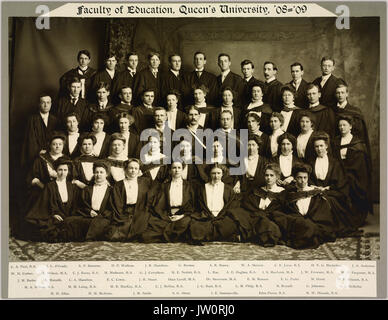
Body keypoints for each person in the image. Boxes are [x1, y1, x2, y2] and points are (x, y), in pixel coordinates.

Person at [269, 164, 337, 249]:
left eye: (305, 178)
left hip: (313, 222)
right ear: (295, 179)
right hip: (297, 223)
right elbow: (277, 209)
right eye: (299, 178)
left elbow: (322, 214)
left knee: (311, 227)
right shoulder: (289, 193)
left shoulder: (315, 193)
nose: (303, 181)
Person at [309, 132, 359, 236]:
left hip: (331, 190)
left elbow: (340, 181)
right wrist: (314, 187)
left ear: (326, 146)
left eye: (321, 146)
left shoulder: (334, 162)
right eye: (316, 146)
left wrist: (328, 188)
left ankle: (330, 228)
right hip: (314, 190)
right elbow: (308, 179)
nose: (319, 149)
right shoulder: (310, 162)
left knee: (330, 201)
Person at [332, 115, 373, 227]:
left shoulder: (357, 143)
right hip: (338, 173)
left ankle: (355, 218)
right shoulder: (335, 141)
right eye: (340, 125)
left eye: (344, 125)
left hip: (355, 175)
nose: (342, 127)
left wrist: (347, 174)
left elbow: (360, 165)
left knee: (351, 187)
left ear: (350, 126)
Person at [24, 158, 77, 242]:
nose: (62, 173)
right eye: (60, 170)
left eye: (65, 170)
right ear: (56, 171)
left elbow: (75, 204)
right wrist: (53, 214)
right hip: (54, 214)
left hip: (68, 214)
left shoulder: (71, 186)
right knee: (49, 228)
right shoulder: (50, 186)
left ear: (68, 171)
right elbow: (44, 204)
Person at [141, 161, 194, 243]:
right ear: (170, 170)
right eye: (174, 168)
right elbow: (159, 205)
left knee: (188, 223)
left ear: (182, 169)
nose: (177, 170)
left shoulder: (189, 186)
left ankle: (172, 234)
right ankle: (175, 235)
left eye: (179, 168)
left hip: (183, 215)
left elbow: (192, 204)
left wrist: (181, 216)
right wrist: (167, 216)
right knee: (146, 235)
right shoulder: (165, 186)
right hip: (167, 215)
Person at [189, 163, 241, 244]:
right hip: (206, 215)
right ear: (209, 174)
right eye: (213, 173)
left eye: (218, 173)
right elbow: (199, 205)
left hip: (222, 216)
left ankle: (211, 235)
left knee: (231, 225)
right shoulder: (202, 188)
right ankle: (219, 235)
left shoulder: (228, 189)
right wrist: (209, 214)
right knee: (196, 226)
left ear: (222, 174)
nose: (216, 176)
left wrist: (220, 215)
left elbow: (230, 206)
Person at [62, 161, 112, 241]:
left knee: (97, 224)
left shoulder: (111, 191)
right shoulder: (87, 189)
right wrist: (89, 211)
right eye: (96, 172)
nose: (98, 175)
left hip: (104, 216)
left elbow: (112, 207)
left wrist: (101, 215)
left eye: (101, 172)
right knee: (69, 221)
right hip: (88, 215)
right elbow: (81, 205)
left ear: (106, 174)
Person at [238, 163, 285, 245]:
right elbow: (248, 205)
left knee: (269, 227)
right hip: (256, 217)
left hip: (272, 219)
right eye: (266, 175)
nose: (268, 178)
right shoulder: (258, 191)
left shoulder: (282, 192)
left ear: (277, 177)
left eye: (271, 175)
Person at [25, 133, 70, 219]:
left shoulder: (67, 160)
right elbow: (33, 177)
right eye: (54, 144)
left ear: (63, 146)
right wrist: (43, 187)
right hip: (43, 188)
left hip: (61, 189)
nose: (57, 146)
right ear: (49, 145)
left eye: (60, 144)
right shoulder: (41, 159)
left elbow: (70, 178)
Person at [107, 159, 152, 242]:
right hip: (124, 212)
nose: (133, 171)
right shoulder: (119, 185)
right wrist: (122, 215)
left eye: (136, 168)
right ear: (125, 169)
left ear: (139, 171)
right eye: (131, 168)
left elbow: (150, 199)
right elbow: (117, 203)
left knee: (143, 232)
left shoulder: (145, 182)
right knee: (114, 235)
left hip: (141, 211)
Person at [21, 94, 59, 169]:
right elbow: (30, 139)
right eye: (43, 102)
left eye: (48, 103)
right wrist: (38, 151)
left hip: (52, 155)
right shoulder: (32, 119)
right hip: (36, 155)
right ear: (39, 104)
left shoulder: (55, 120)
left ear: (51, 104)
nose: (46, 105)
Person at [333, 83, 371, 155]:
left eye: (342, 92)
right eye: (338, 93)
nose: (340, 95)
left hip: (352, 147)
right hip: (336, 146)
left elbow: (360, 133)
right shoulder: (332, 111)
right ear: (335, 95)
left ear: (347, 94)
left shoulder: (355, 111)